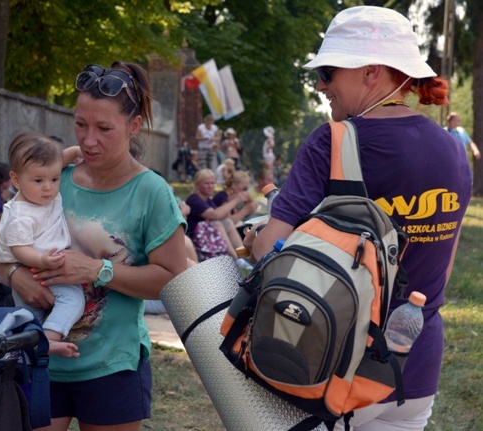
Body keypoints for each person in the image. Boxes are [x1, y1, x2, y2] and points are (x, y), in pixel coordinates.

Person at [244, 6, 471, 431]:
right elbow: (441, 265)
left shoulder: (333, 141)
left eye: (329, 71)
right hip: (415, 371)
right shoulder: (454, 150)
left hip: (332, 366)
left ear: (371, 72)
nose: (320, 84)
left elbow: (264, 250)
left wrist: (259, 231)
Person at [0, 61, 187, 431]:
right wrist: (17, 278)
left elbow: (173, 279)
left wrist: (98, 270)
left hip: (112, 366)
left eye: (104, 128)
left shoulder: (152, 193)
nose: (88, 139)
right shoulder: (51, 177)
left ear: (133, 127)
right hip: (40, 358)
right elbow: (0, 248)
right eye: (80, 124)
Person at [0, 131, 84, 358]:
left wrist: (73, 152)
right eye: (38, 181)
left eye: (55, 180)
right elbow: (19, 249)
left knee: (28, 316)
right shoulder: (21, 215)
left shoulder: (41, 192)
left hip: (41, 270)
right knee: (72, 300)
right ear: (16, 180)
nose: (48, 187)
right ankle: (47, 340)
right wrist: (42, 260)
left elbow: (52, 163)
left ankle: (28, 346)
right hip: (38, 268)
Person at [185, 168, 252, 269]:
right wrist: (236, 201)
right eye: (207, 183)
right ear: (197, 185)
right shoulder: (194, 199)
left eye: (212, 183)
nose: (211, 186)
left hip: (209, 235)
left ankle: (243, 255)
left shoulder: (208, 199)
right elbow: (215, 215)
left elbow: (225, 216)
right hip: (196, 237)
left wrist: (231, 200)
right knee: (218, 224)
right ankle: (236, 259)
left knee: (227, 222)